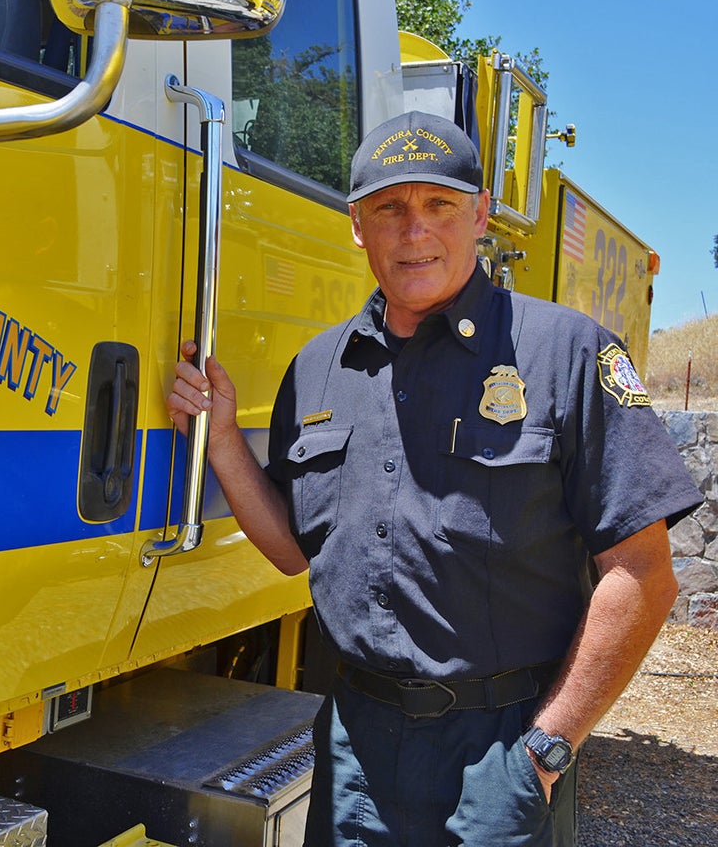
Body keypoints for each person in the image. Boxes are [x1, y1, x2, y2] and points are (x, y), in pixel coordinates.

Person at [167, 110, 702, 846]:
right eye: (389, 208)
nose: (414, 232)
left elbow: (643, 573)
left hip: (503, 749)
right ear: (358, 225)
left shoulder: (567, 354)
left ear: (480, 214)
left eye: (439, 205)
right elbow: (294, 550)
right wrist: (222, 439)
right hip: (354, 743)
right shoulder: (319, 367)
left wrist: (546, 751)